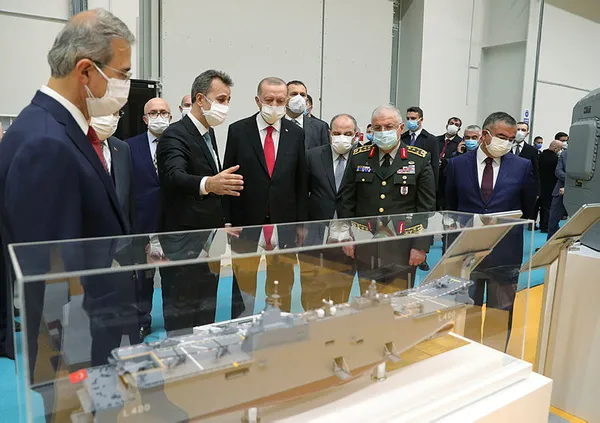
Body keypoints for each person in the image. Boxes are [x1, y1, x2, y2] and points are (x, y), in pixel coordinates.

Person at [0, 8, 136, 371]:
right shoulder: (45, 143)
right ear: (86, 71)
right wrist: (67, 369)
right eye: (122, 75)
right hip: (75, 349)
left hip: (91, 332)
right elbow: (51, 278)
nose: (126, 85)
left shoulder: (59, 129)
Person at [157, 70, 244, 335]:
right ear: (199, 99)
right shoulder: (175, 134)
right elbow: (173, 177)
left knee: (206, 312)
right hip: (184, 241)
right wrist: (208, 184)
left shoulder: (209, 133)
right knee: (182, 317)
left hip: (208, 241)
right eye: (221, 99)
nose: (225, 106)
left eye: (228, 100)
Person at [445, 112, 536, 352]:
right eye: (501, 137)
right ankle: (468, 357)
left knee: (501, 314)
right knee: (468, 312)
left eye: (511, 139)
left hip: (505, 255)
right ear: (485, 135)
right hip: (467, 255)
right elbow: (449, 209)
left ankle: (494, 359)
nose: (506, 143)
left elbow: (527, 210)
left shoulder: (522, 166)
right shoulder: (457, 165)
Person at [223, 77, 308, 314]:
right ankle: (241, 323)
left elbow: (301, 182)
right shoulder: (238, 131)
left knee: (282, 282)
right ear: (257, 100)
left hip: (284, 220)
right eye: (269, 100)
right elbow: (228, 178)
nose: (275, 105)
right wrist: (227, 220)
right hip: (246, 219)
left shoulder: (296, 133)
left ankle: (279, 322)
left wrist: (301, 223)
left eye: (280, 101)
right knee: (244, 281)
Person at [338, 104, 436, 293]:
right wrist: (346, 237)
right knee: (368, 300)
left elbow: (426, 207)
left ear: (401, 128)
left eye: (389, 127)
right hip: (365, 244)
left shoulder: (419, 159)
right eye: (378, 127)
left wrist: (421, 246)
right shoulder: (359, 157)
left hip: (403, 247)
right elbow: (347, 201)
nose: (383, 132)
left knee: (399, 302)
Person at [299, 114, 359, 309]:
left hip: (349, 238)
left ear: (356, 135)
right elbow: (300, 193)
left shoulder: (363, 157)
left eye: (347, 134)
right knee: (312, 292)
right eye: (337, 133)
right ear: (329, 133)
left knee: (341, 292)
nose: (342, 137)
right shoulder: (312, 156)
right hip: (315, 236)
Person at [126, 97, 172, 339]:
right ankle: (142, 321)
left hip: (173, 224)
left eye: (163, 112)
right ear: (145, 119)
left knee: (172, 277)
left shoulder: (179, 143)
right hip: (141, 224)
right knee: (142, 279)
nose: (159, 116)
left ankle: (174, 321)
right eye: (153, 113)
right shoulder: (129, 147)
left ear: (171, 117)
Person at [400, 106, 439, 271]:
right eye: (408, 118)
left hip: (423, 186)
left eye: (413, 118)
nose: (410, 121)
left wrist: (432, 190)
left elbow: (434, 167)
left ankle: (422, 255)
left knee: (423, 221)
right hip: (405, 185)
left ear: (421, 120)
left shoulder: (431, 140)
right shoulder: (403, 138)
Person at [285, 80, 329, 149]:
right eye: (294, 94)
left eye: (302, 95)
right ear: (284, 98)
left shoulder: (320, 127)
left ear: (306, 100)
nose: (299, 98)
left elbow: (324, 153)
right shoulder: (276, 123)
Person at [512, 122, 540, 222]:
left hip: (524, 187)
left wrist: (537, 191)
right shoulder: (506, 147)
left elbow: (536, 171)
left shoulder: (532, 150)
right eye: (518, 129)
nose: (520, 132)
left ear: (527, 133)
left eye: (523, 130)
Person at [437, 116, 463, 210]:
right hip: (436, 176)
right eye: (451, 123)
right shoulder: (436, 140)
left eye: (456, 125)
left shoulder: (461, 143)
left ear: (459, 129)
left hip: (448, 176)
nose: (453, 126)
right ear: (447, 125)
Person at [538, 140, 563, 233]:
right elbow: (557, 173)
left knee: (536, 206)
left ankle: (531, 224)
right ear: (556, 148)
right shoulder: (555, 159)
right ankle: (544, 226)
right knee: (547, 207)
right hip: (550, 185)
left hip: (538, 184)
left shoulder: (539, 155)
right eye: (560, 148)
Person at [547, 149, 568, 239]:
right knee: (553, 220)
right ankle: (550, 244)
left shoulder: (589, 154)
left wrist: (569, 188)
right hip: (559, 191)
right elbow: (558, 172)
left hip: (581, 191)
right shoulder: (565, 153)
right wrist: (570, 181)